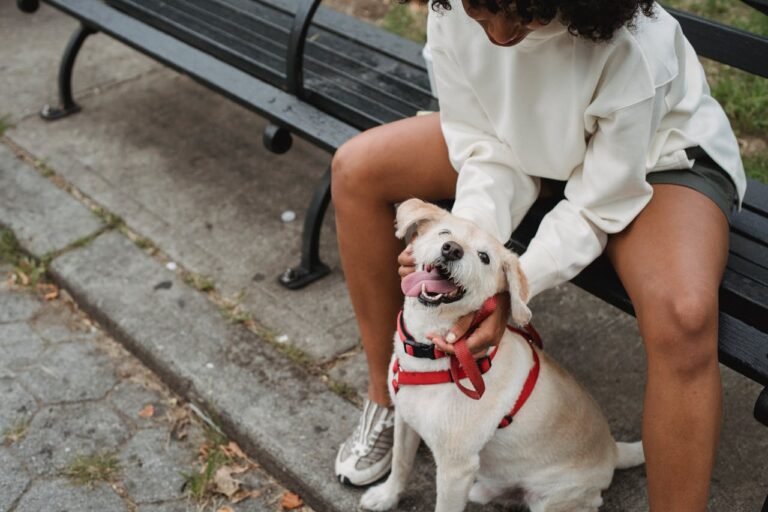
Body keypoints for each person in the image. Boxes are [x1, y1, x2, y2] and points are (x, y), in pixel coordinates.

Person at [331, 0, 746, 510]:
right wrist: (462, 244)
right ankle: (389, 397)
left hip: (654, 159)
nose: (501, 35)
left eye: (526, 15)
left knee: (684, 315)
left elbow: (597, 204)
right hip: (524, 145)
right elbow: (484, 146)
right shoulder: (453, 8)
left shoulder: (637, 44)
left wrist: (508, 288)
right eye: (481, 13)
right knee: (356, 169)